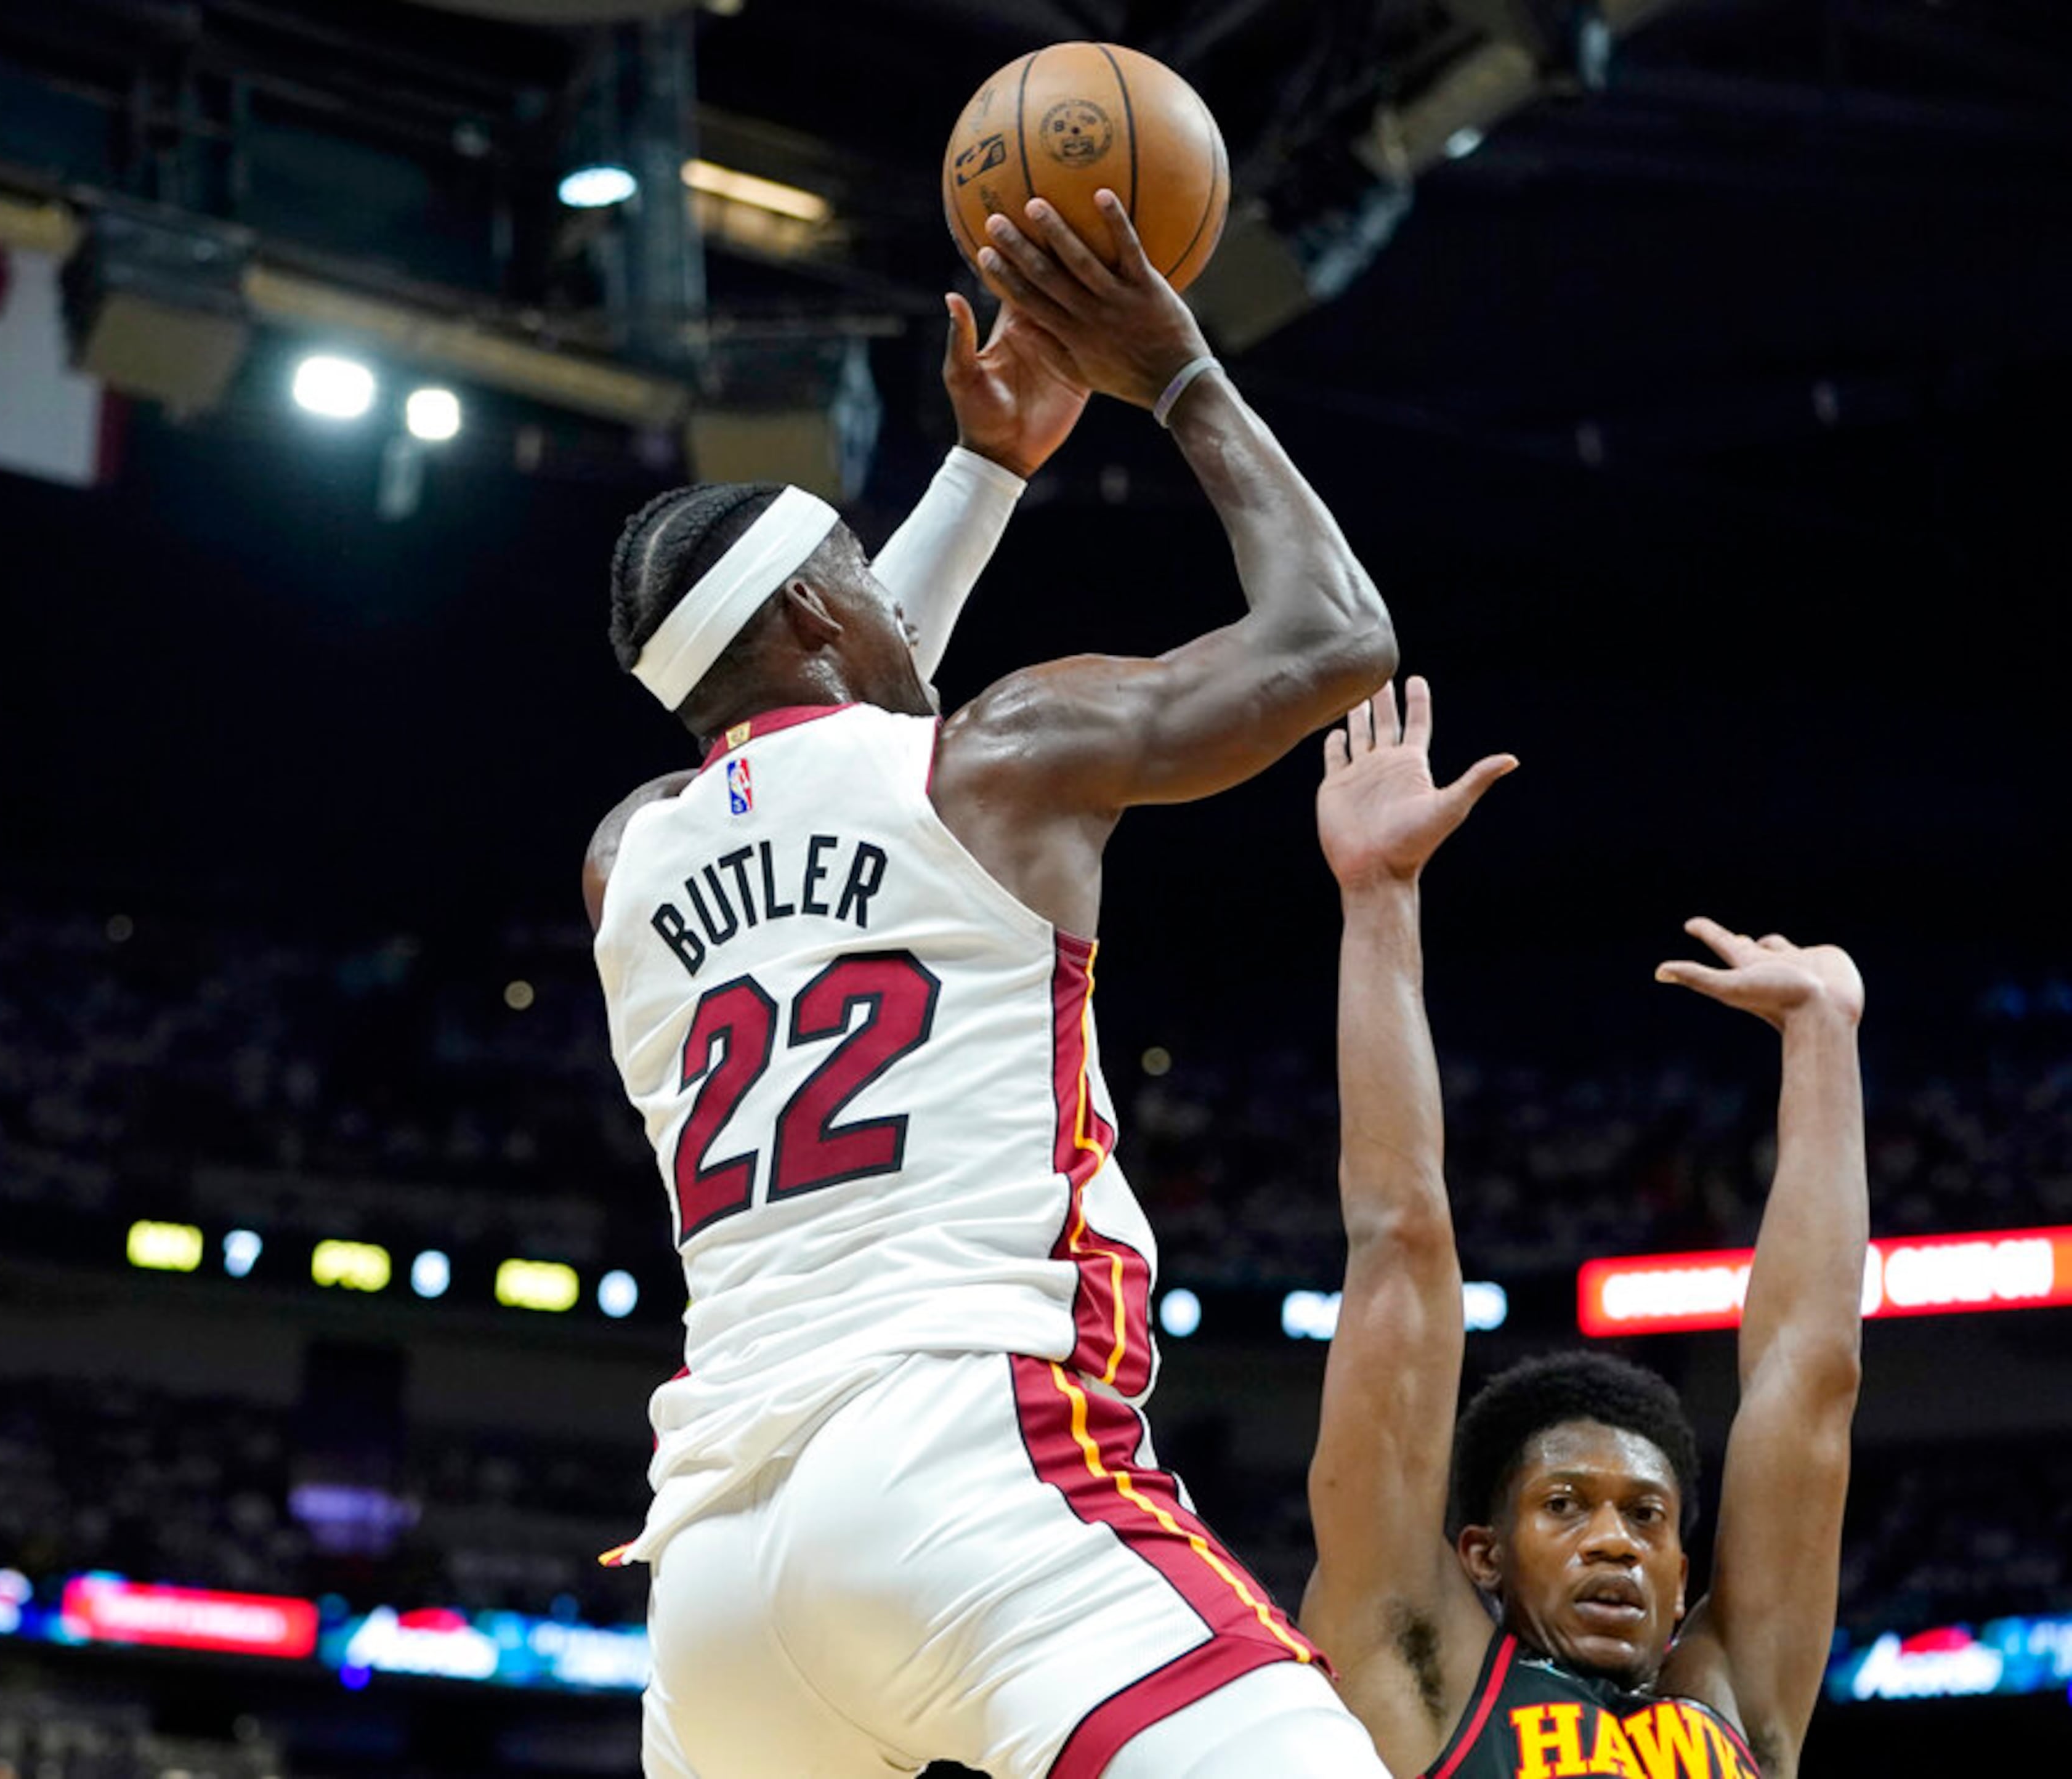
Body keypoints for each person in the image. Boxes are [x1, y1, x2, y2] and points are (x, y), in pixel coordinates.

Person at [586, 193, 1396, 1779]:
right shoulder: (1003, 760)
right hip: (960, 1456)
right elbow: (1338, 633)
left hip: (718, 1574)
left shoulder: (627, 860)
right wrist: (1179, 373)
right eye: (864, 584)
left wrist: (986, 473)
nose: (903, 606)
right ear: (826, 609)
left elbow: (829, 728)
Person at [1298, 678, 1868, 1779]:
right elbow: (1400, 1247)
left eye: (1647, 1516)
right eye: (1566, 1507)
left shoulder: (1732, 1696)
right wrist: (1379, 898)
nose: (1617, 1541)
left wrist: (1823, 1041)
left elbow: (1814, 1377)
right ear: (1483, 1554)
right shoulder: (1420, 1661)